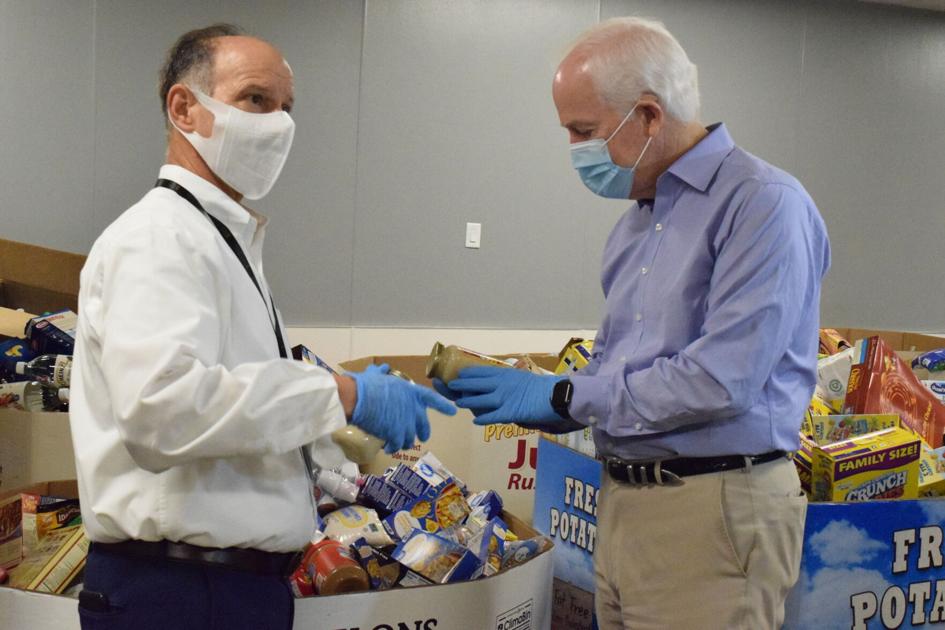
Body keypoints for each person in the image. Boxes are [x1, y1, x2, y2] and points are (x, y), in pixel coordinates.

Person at [439, 17, 830, 630]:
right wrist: (546, 401)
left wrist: (570, 393)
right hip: (625, 502)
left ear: (649, 115)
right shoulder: (634, 228)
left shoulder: (762, 205)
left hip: (713, 507)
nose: (574, 150)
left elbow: (722, 378)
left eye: (584, 130)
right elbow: (619, 371)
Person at [70, 24, 454, 630]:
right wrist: (341, 394)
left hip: (234, 588)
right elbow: (162, 411)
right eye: (255, 99)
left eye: (286, 107)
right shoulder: (158, 240)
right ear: (184, 107)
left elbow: (236, 410)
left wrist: (335, 456)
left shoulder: (222, 242)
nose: (278, 124)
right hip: (179, 591)